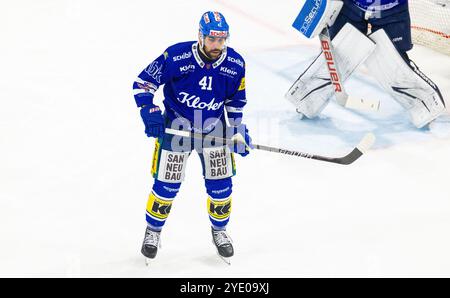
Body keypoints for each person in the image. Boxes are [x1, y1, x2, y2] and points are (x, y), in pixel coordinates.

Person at [132, 11, 252, 264]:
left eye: (221, 40)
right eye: (212, 39)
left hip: (214, 130)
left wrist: (237, 129)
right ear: (200, 36)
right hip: (177, 128)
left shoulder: (236, 64)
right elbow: (143, 83)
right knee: (166, 186)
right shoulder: (176, 56)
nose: (217, 45)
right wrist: (150, 112)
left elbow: (236, 101)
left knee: (221, 188)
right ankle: (153, 231)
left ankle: (219, 231)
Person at [286, 0, 446, 128]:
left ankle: (425, 103)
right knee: (338, 55)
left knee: (392, 63)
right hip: (351, 6)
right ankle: (308, 99)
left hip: (392, 9)